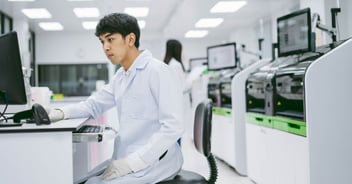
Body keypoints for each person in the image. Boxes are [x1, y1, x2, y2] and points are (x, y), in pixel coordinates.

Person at [48, 13, 184, 184]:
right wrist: (59, 112)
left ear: (130, 39)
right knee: (79, 180)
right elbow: (94, 105)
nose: (105, 47)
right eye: (102, 42)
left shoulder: (158, 71)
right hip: (128, 155)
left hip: (157, 159)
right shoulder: (121, 76)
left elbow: (173, 127)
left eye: (110, 39)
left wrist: (133, 163)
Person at [163, 39, 192, 142]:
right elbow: (182, 87)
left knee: (173, 133)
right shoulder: (176, 65)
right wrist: (192, 81)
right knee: (177, 133)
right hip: (178, 103)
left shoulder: (167, 64)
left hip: (170, 104)